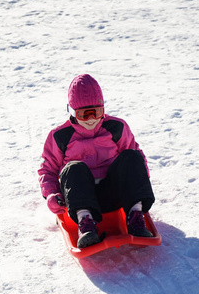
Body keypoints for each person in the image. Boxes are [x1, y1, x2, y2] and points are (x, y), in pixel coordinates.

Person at [38, 74, 155, 248]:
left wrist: (138, 183)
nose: (92, 119)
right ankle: (86, 225)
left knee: (132, 156)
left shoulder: (117, 127)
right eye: (84, 114)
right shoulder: (60, 136)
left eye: (97, 112)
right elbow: (48, 169)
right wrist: (52, 195)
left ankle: (135, 217)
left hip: (115, 194)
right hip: (79, 198)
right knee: (73, 168)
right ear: (72, 112)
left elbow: (136, 162)